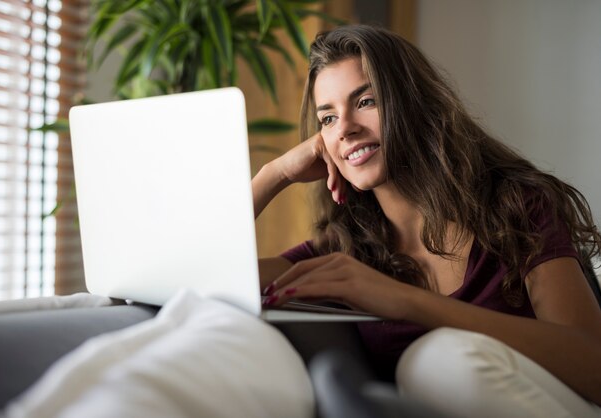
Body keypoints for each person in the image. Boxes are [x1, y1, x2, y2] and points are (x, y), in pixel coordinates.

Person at [252, 25, 601, 417]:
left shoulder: (514, 205)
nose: (345, 128)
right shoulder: (347, 250)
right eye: (328, 118)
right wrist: (274, 174)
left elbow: (593, 363)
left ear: (412, 104)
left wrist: (407, 302)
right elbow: (187, 280)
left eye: (366, 101)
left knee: (436, 361)